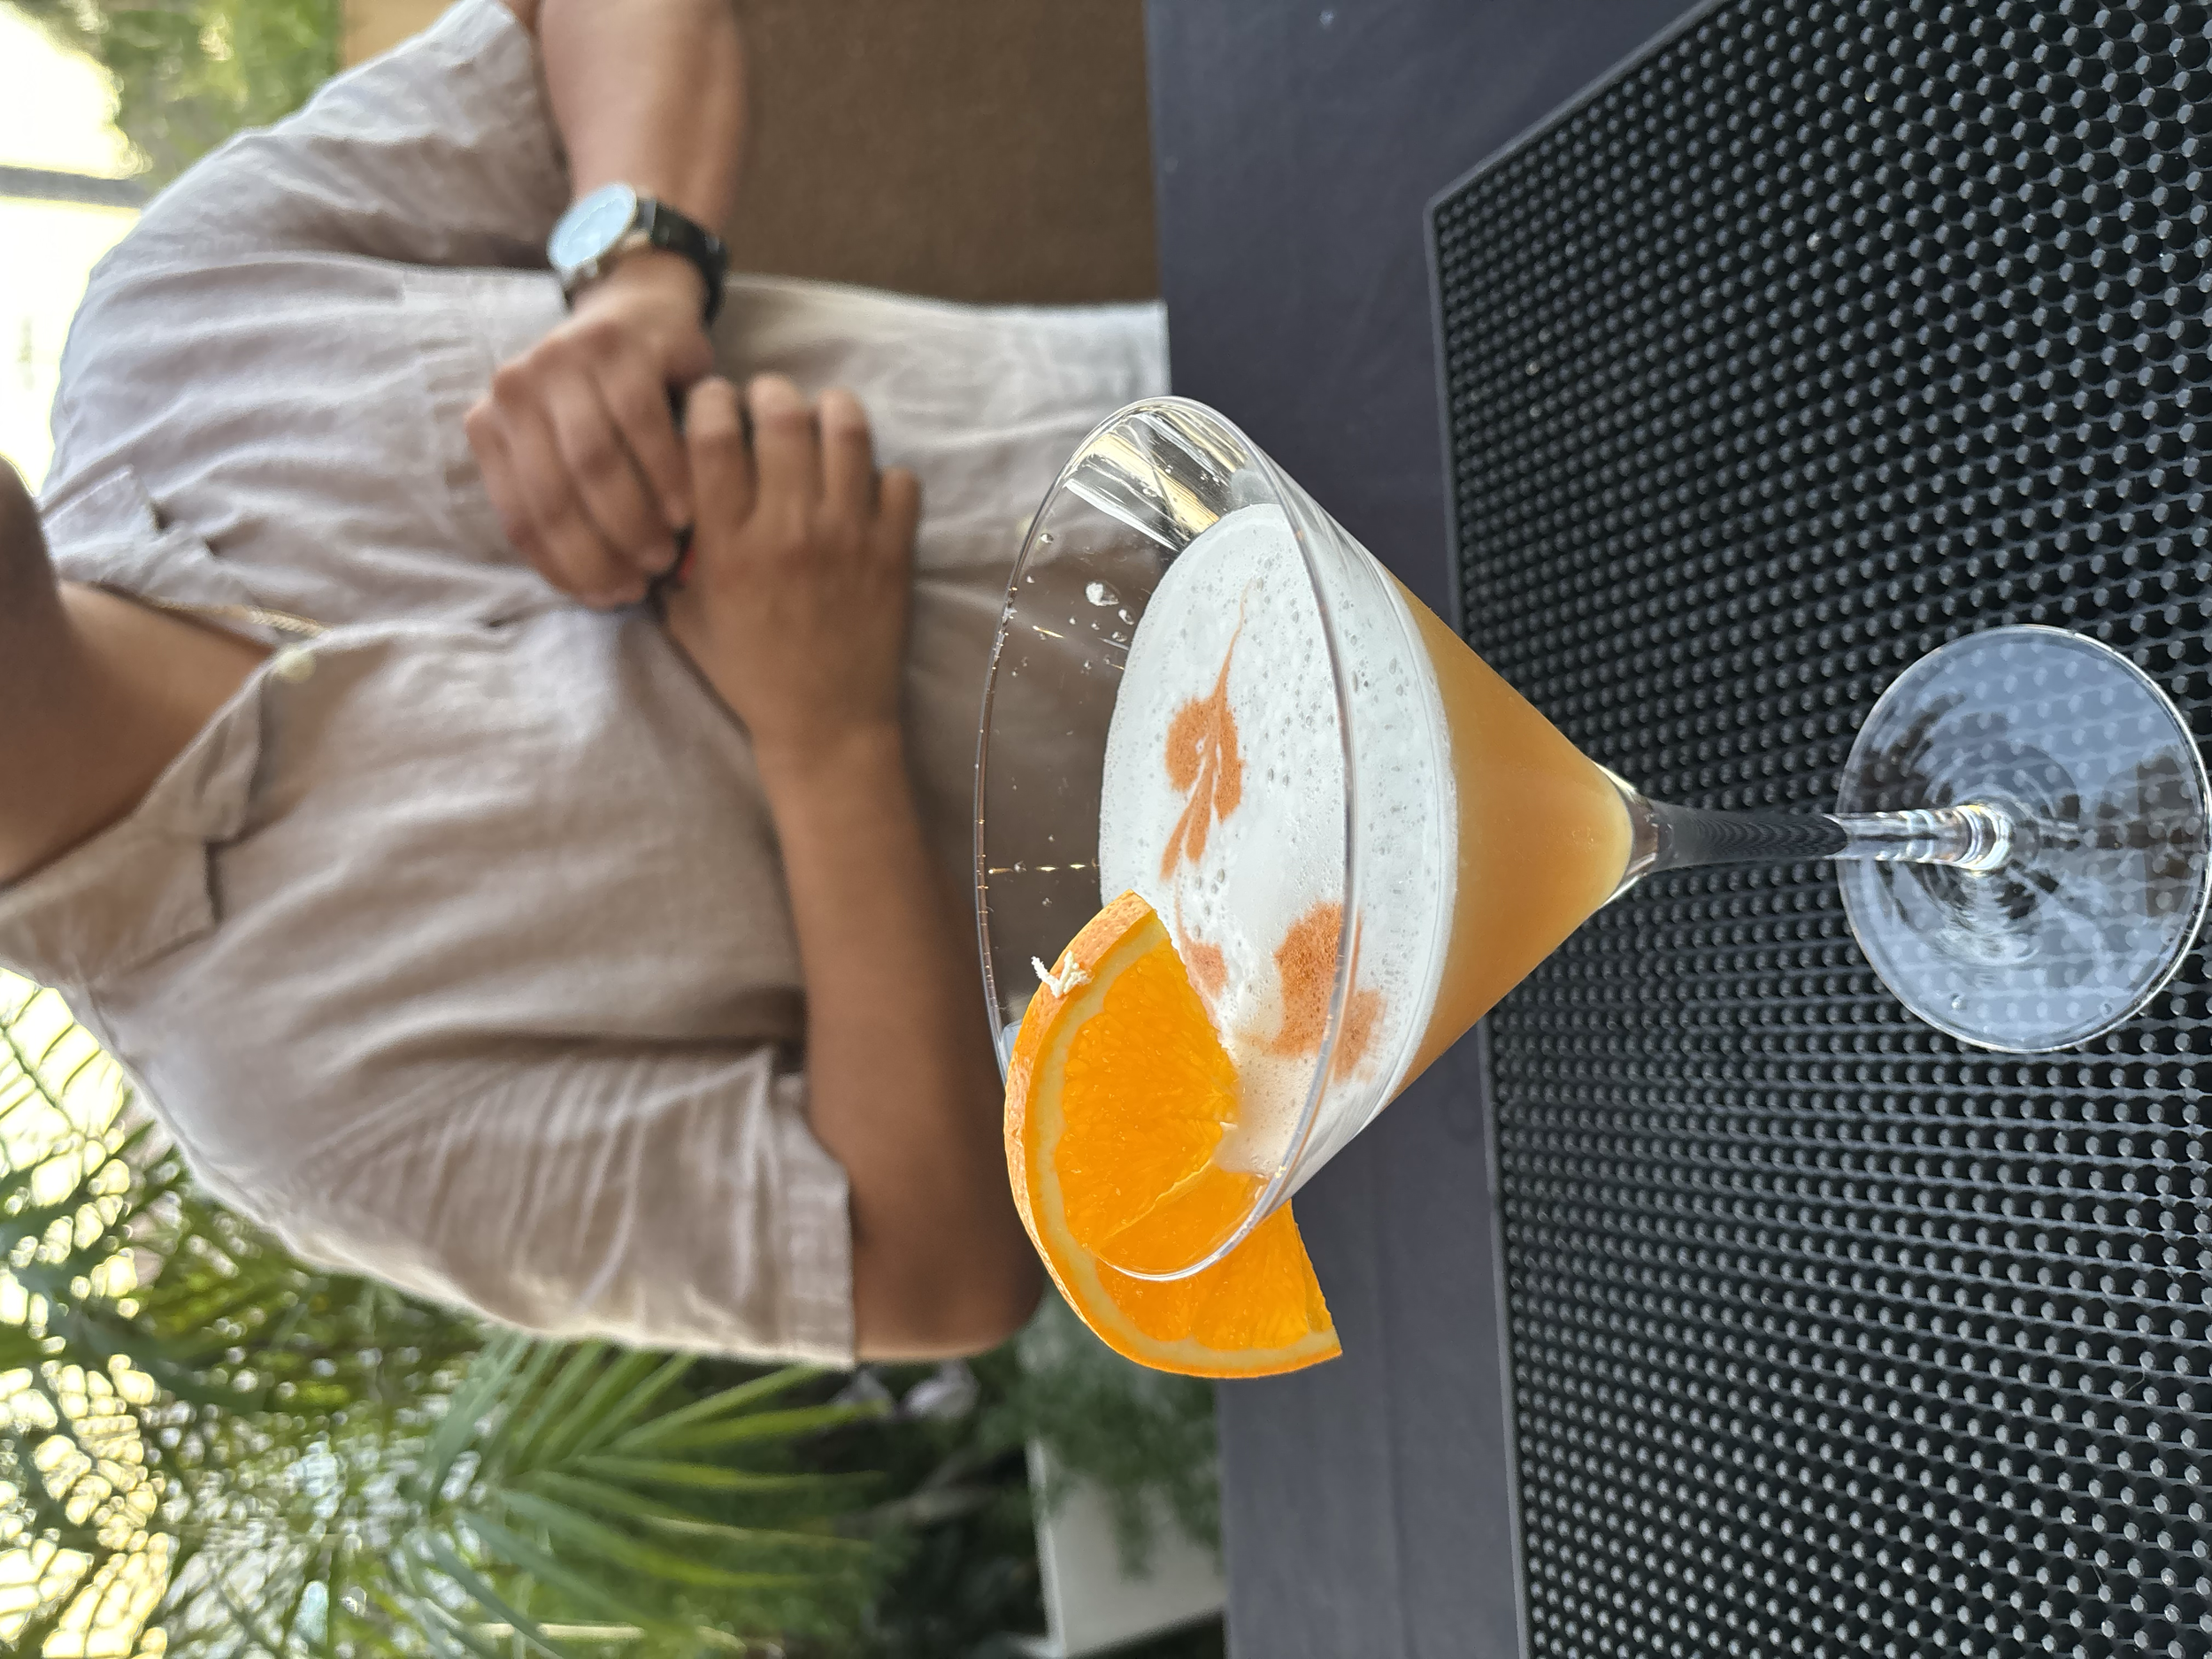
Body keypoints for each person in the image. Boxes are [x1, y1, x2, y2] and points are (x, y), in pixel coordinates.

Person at [0, 0, 1168, 1363]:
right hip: (1328, 880)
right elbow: (934, 1271)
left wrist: (633, 279)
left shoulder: (175, 316)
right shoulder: (292, 1111)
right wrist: (826, 741)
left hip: (1268, 374)